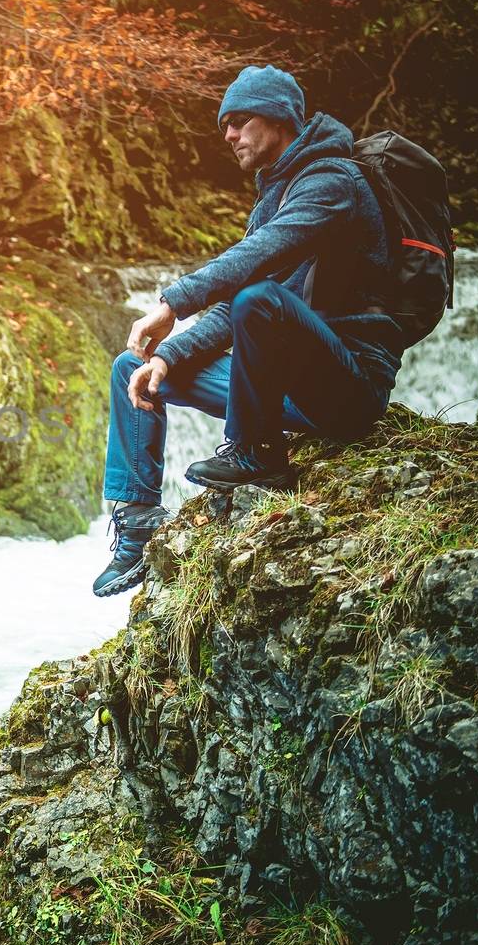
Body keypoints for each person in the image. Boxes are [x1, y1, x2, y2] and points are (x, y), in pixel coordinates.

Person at [92, 65, 403, 599]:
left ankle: (255, 451)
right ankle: (139, 519)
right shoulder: (273, 197)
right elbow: (238, 305)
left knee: (259, 298)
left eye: (239, 121)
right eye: (224, 126)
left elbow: (257, 266)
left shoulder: (333, 183)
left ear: (279, 118)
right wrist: (170, 356)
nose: (229, 135)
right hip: (286, 393)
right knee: (135, 369)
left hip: (348, 390)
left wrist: (173, 302)